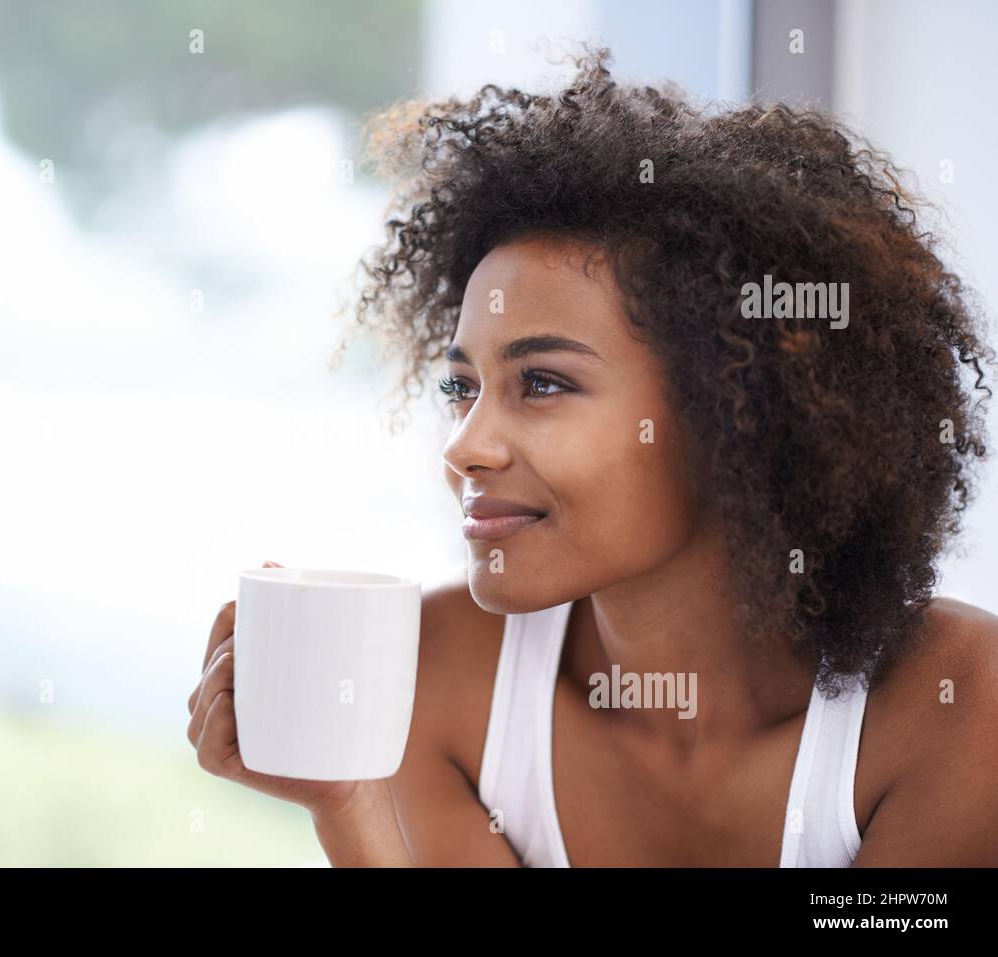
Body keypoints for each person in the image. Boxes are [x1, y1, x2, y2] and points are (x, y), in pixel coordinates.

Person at [187, 47, 998, 866]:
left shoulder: (960, 703)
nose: (464, 446)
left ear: (736, 414)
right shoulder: (436, 674)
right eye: (462, 387)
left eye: (541, 382)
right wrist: (348, 800)